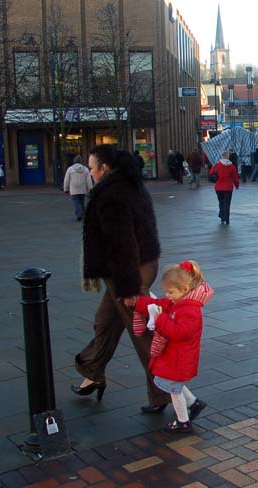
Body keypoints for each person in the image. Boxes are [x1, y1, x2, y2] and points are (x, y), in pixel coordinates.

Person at [73, 145, 170, 414]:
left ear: (103, 168)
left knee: (142, 335)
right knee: (105, 322)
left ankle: (172, 394)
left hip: (126, 272)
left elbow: (122, 244)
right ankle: (92, 373)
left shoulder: (111, 195)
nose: (90, 173)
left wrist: (128, 286)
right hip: (138, 266)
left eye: (92, 168)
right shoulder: (131, 186)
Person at [133, 260, 210, 433]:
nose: (167, 295)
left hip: (179, 358)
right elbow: (158, 303)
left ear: (184, 290)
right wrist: (137, 303)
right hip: (175, 357)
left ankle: (183, 421)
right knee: (173, 384)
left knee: (174, 391)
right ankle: (194, 404)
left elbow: (178, 332)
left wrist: (160, 319)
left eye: (170, 292)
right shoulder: (176, 302)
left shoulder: (190, 310)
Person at [210, 151, 240, 224]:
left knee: (221, 202)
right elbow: (235, 177)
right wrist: (237, 185)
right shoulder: (231, 166)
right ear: (228, 157)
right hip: (228, 188)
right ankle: (227, 219)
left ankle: (222, 217)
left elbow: (211, 173)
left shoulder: (217, 165)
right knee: (227, 203)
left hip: (218, 187)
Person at [63, 155, 93, 222]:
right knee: (81, 202)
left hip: (74, 189)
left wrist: (66, 189)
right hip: (83, 189)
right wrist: (90, 189)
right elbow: (89, 180)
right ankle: (83, 213)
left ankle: (79, 214)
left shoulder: (70, 169)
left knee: (76, 202)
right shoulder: (85, 169)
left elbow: (66, 180)